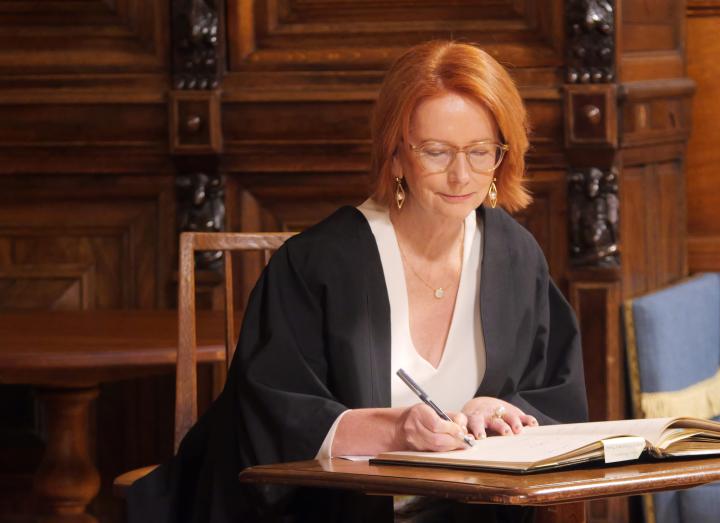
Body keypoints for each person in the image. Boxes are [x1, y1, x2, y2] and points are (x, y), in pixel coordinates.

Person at [127, 40, 588, 522]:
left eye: (480, 152)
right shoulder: (317, 263)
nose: (461, 175)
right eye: (436, 151)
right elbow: (271, 417)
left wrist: (501, 408)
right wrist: (395, 430)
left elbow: (557, 398)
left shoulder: (516, 257)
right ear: (394, 155)